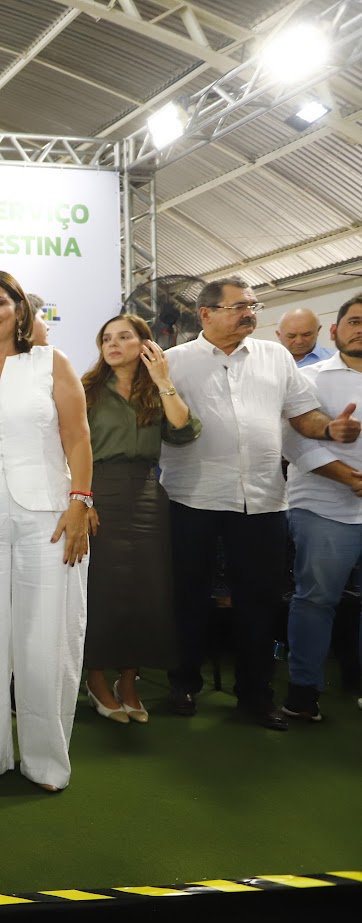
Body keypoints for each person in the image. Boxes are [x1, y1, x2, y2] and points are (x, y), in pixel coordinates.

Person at [159, 276, 357, 730]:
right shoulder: (174, 362)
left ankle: (255, 695)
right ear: (206, 314)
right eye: (239, 307)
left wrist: (329, 429)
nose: (250, 313)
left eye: (253, 305)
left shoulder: (275, 356)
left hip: (264, 499)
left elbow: (302, 414)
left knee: (259, 601)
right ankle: (183, 683)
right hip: (193, 497)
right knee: (188, 597)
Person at [0, 269, 91, 793]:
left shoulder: (52, 362)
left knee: (47, 637)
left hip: (49, 517)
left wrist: (80, 501)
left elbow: (78, 437)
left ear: (19, 309)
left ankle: (46, 759)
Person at [79, 313, 201, 723]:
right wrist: (82, 500)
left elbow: (184, 429)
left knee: (147, 593)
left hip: (147, 496)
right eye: (106, 338)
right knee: (101, 593)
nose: (113, 344)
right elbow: (67, 449)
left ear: (145, 344)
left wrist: (163, 378)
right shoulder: (86, 390)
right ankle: (96, 679)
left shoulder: (157, 390)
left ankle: (128, 682)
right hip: (97, 493)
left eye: (124, 337)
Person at [279, 295, 362, 720]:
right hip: (323, 507)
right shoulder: (308, 379)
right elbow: (293, 442)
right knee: (316, 599)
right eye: (354, 321)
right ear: (335, 330)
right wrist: (351, 479)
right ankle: (304, 690)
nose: (360, 329)